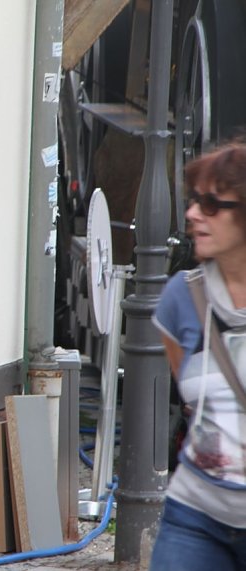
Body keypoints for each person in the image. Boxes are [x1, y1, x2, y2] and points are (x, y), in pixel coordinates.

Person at [151, 143, 246, 570]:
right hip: (194, 516)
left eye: (211, 204)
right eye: (193, 200)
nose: (192, 214)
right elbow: (192, 404)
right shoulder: (182, 297)